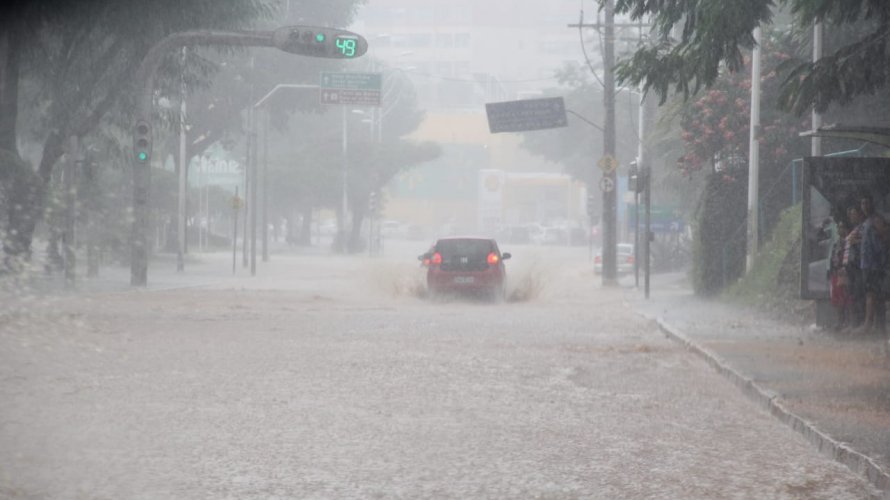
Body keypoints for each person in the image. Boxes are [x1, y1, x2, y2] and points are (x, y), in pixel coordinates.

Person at [857, 195, 888, 334]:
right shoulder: (867, 221)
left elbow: (880, 243)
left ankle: (869, 323)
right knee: (871, 293)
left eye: (866, 203)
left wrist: (882, 259)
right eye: (862, 203)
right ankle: (874, 324)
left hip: (873, 265)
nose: (864, 206)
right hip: (867, 264)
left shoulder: (875, 220)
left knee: (872, 293)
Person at [844, 205, 865, 331]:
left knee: (858, 294)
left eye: (854, 213)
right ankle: (853, 322)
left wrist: (855, 241)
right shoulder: (855, 229)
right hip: (851, 267)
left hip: (859, 266)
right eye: (850, 214)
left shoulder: (862, 228)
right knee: (852, 294)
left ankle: (860, 322)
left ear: (859, 215)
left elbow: (865, 242)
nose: (851, 216)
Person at [828, 220, 851, 330]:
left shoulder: (848, 242)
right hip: (835, 273)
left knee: (844, 298)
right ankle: (839, 321)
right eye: (839, 227)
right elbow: (833, 257)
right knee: (836, 299)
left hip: (844, 273)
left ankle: (845, 321)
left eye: (842, 227)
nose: (840, 229)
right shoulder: (837, 243)